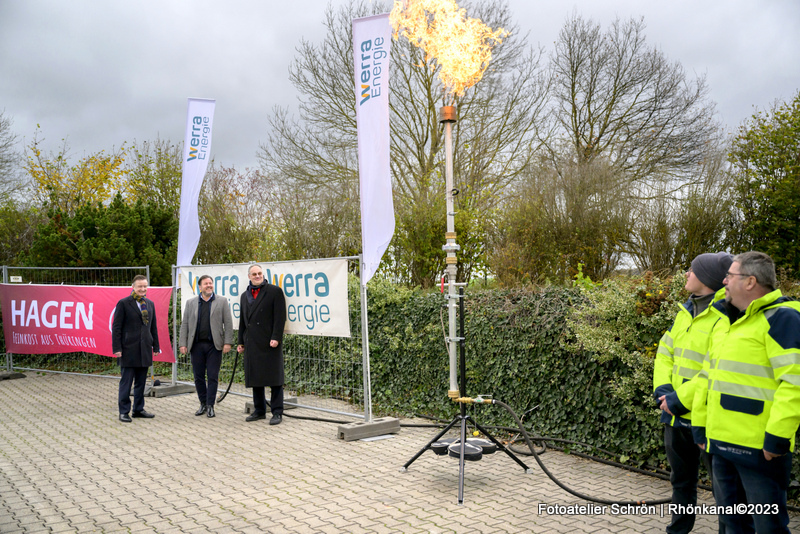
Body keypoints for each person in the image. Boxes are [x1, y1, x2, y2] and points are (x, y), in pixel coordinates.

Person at [691, 251, 800, 533]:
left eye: (731, 275)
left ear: (750, 281)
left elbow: (794, 384)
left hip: (759, 451)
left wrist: (776, 439)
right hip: (720, 446)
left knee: (768, 527)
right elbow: (708, 379)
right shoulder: (725, 322)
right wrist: (701, 428)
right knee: (732, 524)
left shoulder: (782, 319)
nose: (724, 280)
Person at [653, 252, 732, 534]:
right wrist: (663, 390)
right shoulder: (685, 310)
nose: (687, 273)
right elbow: (665, 354)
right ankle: (678, 530)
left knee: (724, 488)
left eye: (692, 270)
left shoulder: (724, 316)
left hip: (707, 417)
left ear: (709, 278)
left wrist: (676, 399)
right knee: (681, 481)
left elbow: (715, 370)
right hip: (674, 414)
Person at [237, 264, 287, 425]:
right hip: (252, 342)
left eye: (259, 273)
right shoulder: (245, 296)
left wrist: (276, 337)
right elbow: (243, 321)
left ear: (263, 275)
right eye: (254, 274)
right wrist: (240, 341)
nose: (257, 276)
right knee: (255, 378)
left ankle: (277, 412)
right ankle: (259, 410)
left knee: (274, 378)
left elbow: (280, 317)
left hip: (269, 341)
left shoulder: (274, 291)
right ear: (249, 276)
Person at [179, 274, 233, 418]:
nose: (209, 286)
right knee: (198, 376)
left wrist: (228, 342)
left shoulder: (221, 301)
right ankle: (202, 403)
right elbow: (184, 324)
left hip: (214, 346)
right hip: (196, 346)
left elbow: (228, 323)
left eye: (211, 283)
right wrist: (182, 343)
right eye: (206, 284)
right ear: (200, 286)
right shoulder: (191, 303)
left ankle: (211, 405)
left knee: (213, 376)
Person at [112, 274, 160, 423]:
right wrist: (117, 348)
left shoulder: (150, 303)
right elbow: (117, 327)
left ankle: (138, 409)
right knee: (126, 382)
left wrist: (156, 346)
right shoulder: (124, 303)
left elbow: (153, 327)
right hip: (128, 349)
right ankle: (124, 411)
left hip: (144, 349)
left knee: (141, 382)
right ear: (133, 287)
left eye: (145, 286)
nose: (143, 289)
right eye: (140, 286)